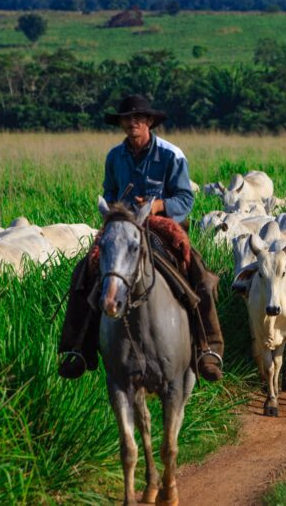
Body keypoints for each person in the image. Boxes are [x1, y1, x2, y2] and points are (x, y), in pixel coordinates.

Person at [57, 95, 224, 382]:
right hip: (124, 225)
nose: (132, 122)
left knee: (201, 276)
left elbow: (186, 197)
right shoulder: (114, 157)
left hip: (162, 225)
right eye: (126, 118)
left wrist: (158, 205)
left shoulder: (172, 154)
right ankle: (78, 348)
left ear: (149, 121)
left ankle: (208, 348)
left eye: (138, 117)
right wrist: (114, 212)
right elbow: (110, 193)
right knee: (85, 271)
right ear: (121, 123)